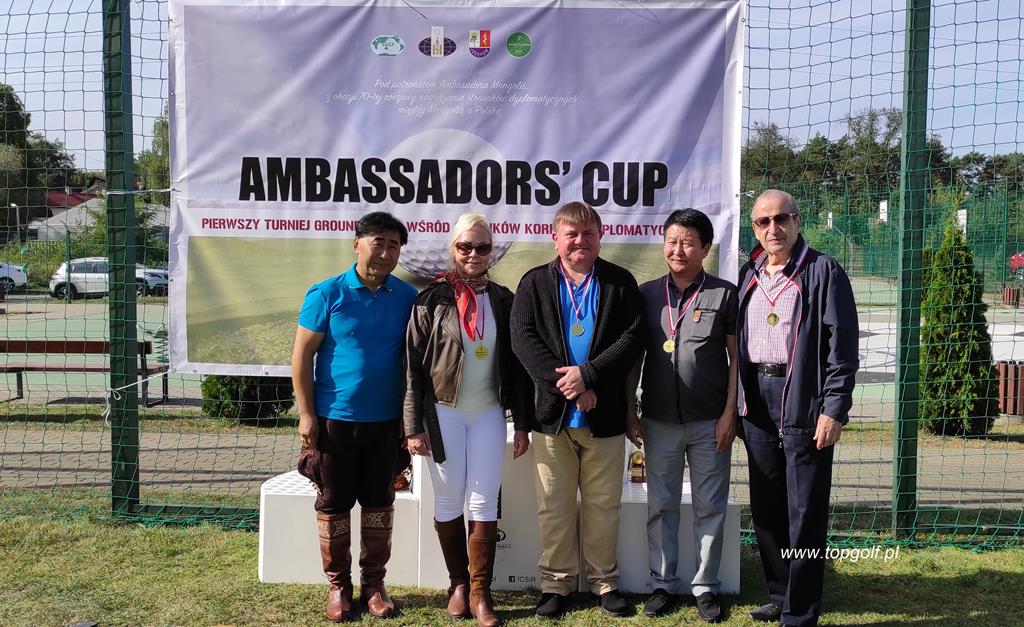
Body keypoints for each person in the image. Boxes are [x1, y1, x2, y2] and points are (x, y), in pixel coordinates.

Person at [510, 201, 643, 619]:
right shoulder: (534, 283)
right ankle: (556, 584)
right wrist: (568, 387)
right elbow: (522, 340)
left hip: (603, 416)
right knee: (554, 505)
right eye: (571, 233)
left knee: (604, 504)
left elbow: (632, 338)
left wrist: (589, 375)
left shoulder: (620, 283)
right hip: (552, 417)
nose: (580, 241)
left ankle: (605, 583)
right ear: (556, 238)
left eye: (588, 234)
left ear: (600, 237)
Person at [403, 213, 532, 627]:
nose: (473, 254)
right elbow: (412, 370)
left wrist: (524, 422)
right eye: (465, 247)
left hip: (489, 415)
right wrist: (411, 426)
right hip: (443, 415)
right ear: (453, 249)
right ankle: (458, 584)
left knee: (482, 500)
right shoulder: (431, 300)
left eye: (481, 247)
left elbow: (518, 368)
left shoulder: (504, 299)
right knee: (447, 497)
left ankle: (480, 593)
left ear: (491, 252)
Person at [737, 190, 858, 627]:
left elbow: (842, 350)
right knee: (766, 504)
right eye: (763, 221)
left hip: (802, 399)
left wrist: (834, 409)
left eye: (781, 218)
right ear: (754, 228)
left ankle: (802, 610)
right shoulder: (748, 272)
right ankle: (779, 592)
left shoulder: (824, 272)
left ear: (797, 220)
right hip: (756, 401)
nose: (773, 228)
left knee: (804, 508)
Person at [292, 211, 417, 623]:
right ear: (357, 243)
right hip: (334, 420)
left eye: (394, 245)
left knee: (380, 504)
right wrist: (306, 413)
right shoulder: (326, 293)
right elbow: (301, 357)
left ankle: (375, 586)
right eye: (377, 242)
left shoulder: (405, 297)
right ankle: (339, 588)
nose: (385, 252)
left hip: (386, 422)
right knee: (334, 504)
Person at [625, 208, 738, 622]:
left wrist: (730, 414)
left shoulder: (724, 294)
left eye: (688, 242)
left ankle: (706, 587)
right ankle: (662, 583)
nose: (678, 249)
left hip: (710, 422)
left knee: (710, 505)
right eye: (672, 240)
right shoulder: (647, 293)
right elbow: (634, 358)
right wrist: (629, 411)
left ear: (705, 248)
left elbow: (735, 360)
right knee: (662, 505)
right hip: (657, 421)